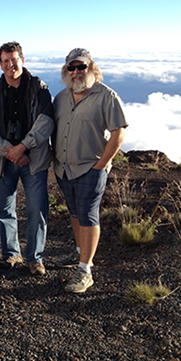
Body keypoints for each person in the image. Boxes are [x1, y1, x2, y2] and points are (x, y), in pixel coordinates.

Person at [53, 48, 128, 293]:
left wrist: (100, 166)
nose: (76, 72)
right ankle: (78, 253)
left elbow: (118, 133)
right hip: (64, 169)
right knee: (74, 212)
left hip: (90, 167)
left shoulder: (106, 96)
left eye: (81, 67)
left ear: (90, 68)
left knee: (88, 215)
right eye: (71, 68)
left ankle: (85, 271)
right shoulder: (61, 98)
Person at [0, 42, 55, 276]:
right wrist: (10, 151)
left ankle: (35, 258)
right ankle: (11, 254)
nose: (10, 65)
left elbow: (46, 121)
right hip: (5, 161)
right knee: (4, 209)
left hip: (34, 159)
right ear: (0, 63)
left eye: (13, 59)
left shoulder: (39, 88)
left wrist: (23, 147)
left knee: (37, 209)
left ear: (22, 59)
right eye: (5, 61)